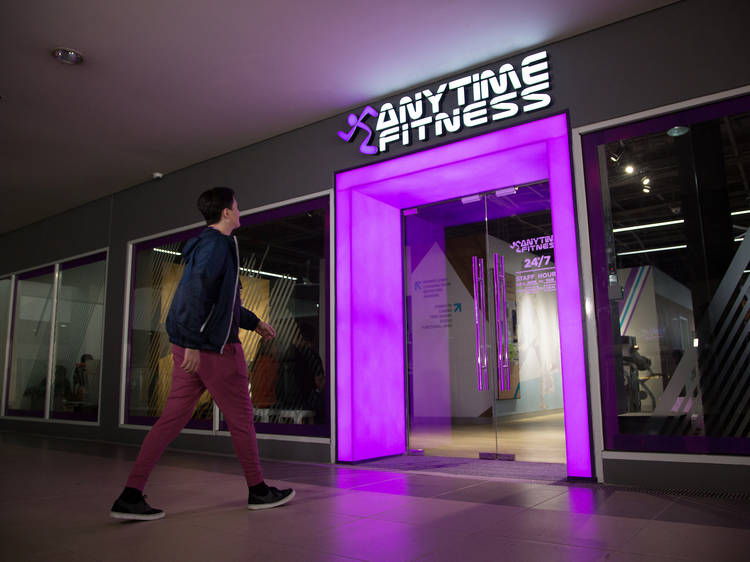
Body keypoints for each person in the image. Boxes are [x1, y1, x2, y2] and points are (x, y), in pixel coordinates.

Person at [110, 187, 294, 521]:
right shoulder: (218, 245)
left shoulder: (208, 245)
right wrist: (194, 342)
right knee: (242, 420)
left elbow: (220, 302)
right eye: (237, 206)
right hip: (214, 350)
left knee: (171, 420)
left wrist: (254, 323)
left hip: (193, 348)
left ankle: (130, 494)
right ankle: (258, 490)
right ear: (226, 212)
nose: (240, 211)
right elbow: (195, 292)